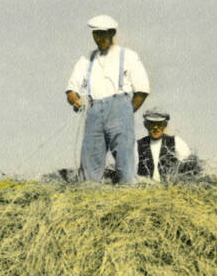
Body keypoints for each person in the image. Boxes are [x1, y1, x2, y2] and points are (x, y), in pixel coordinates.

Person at [65, 14, 149, 184]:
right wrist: (75, 99)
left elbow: (142, 90)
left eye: (103, 34)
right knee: (90, 159)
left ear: (112, 33)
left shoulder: (128, 56)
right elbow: (71, 89)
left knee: (125, 160)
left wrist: (126, 112)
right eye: (96, 34)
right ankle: (89, 196)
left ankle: (128, 194)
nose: (99, 38)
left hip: (120, 107)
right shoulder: (86, 60)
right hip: (94, 111)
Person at [136, 109, 194, 181]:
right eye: (152, 123)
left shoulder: (176, 142)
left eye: (159, 124)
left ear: (165, 125)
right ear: (145, 125)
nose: (155, 127)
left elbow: (191, 167)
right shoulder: (136, 145)